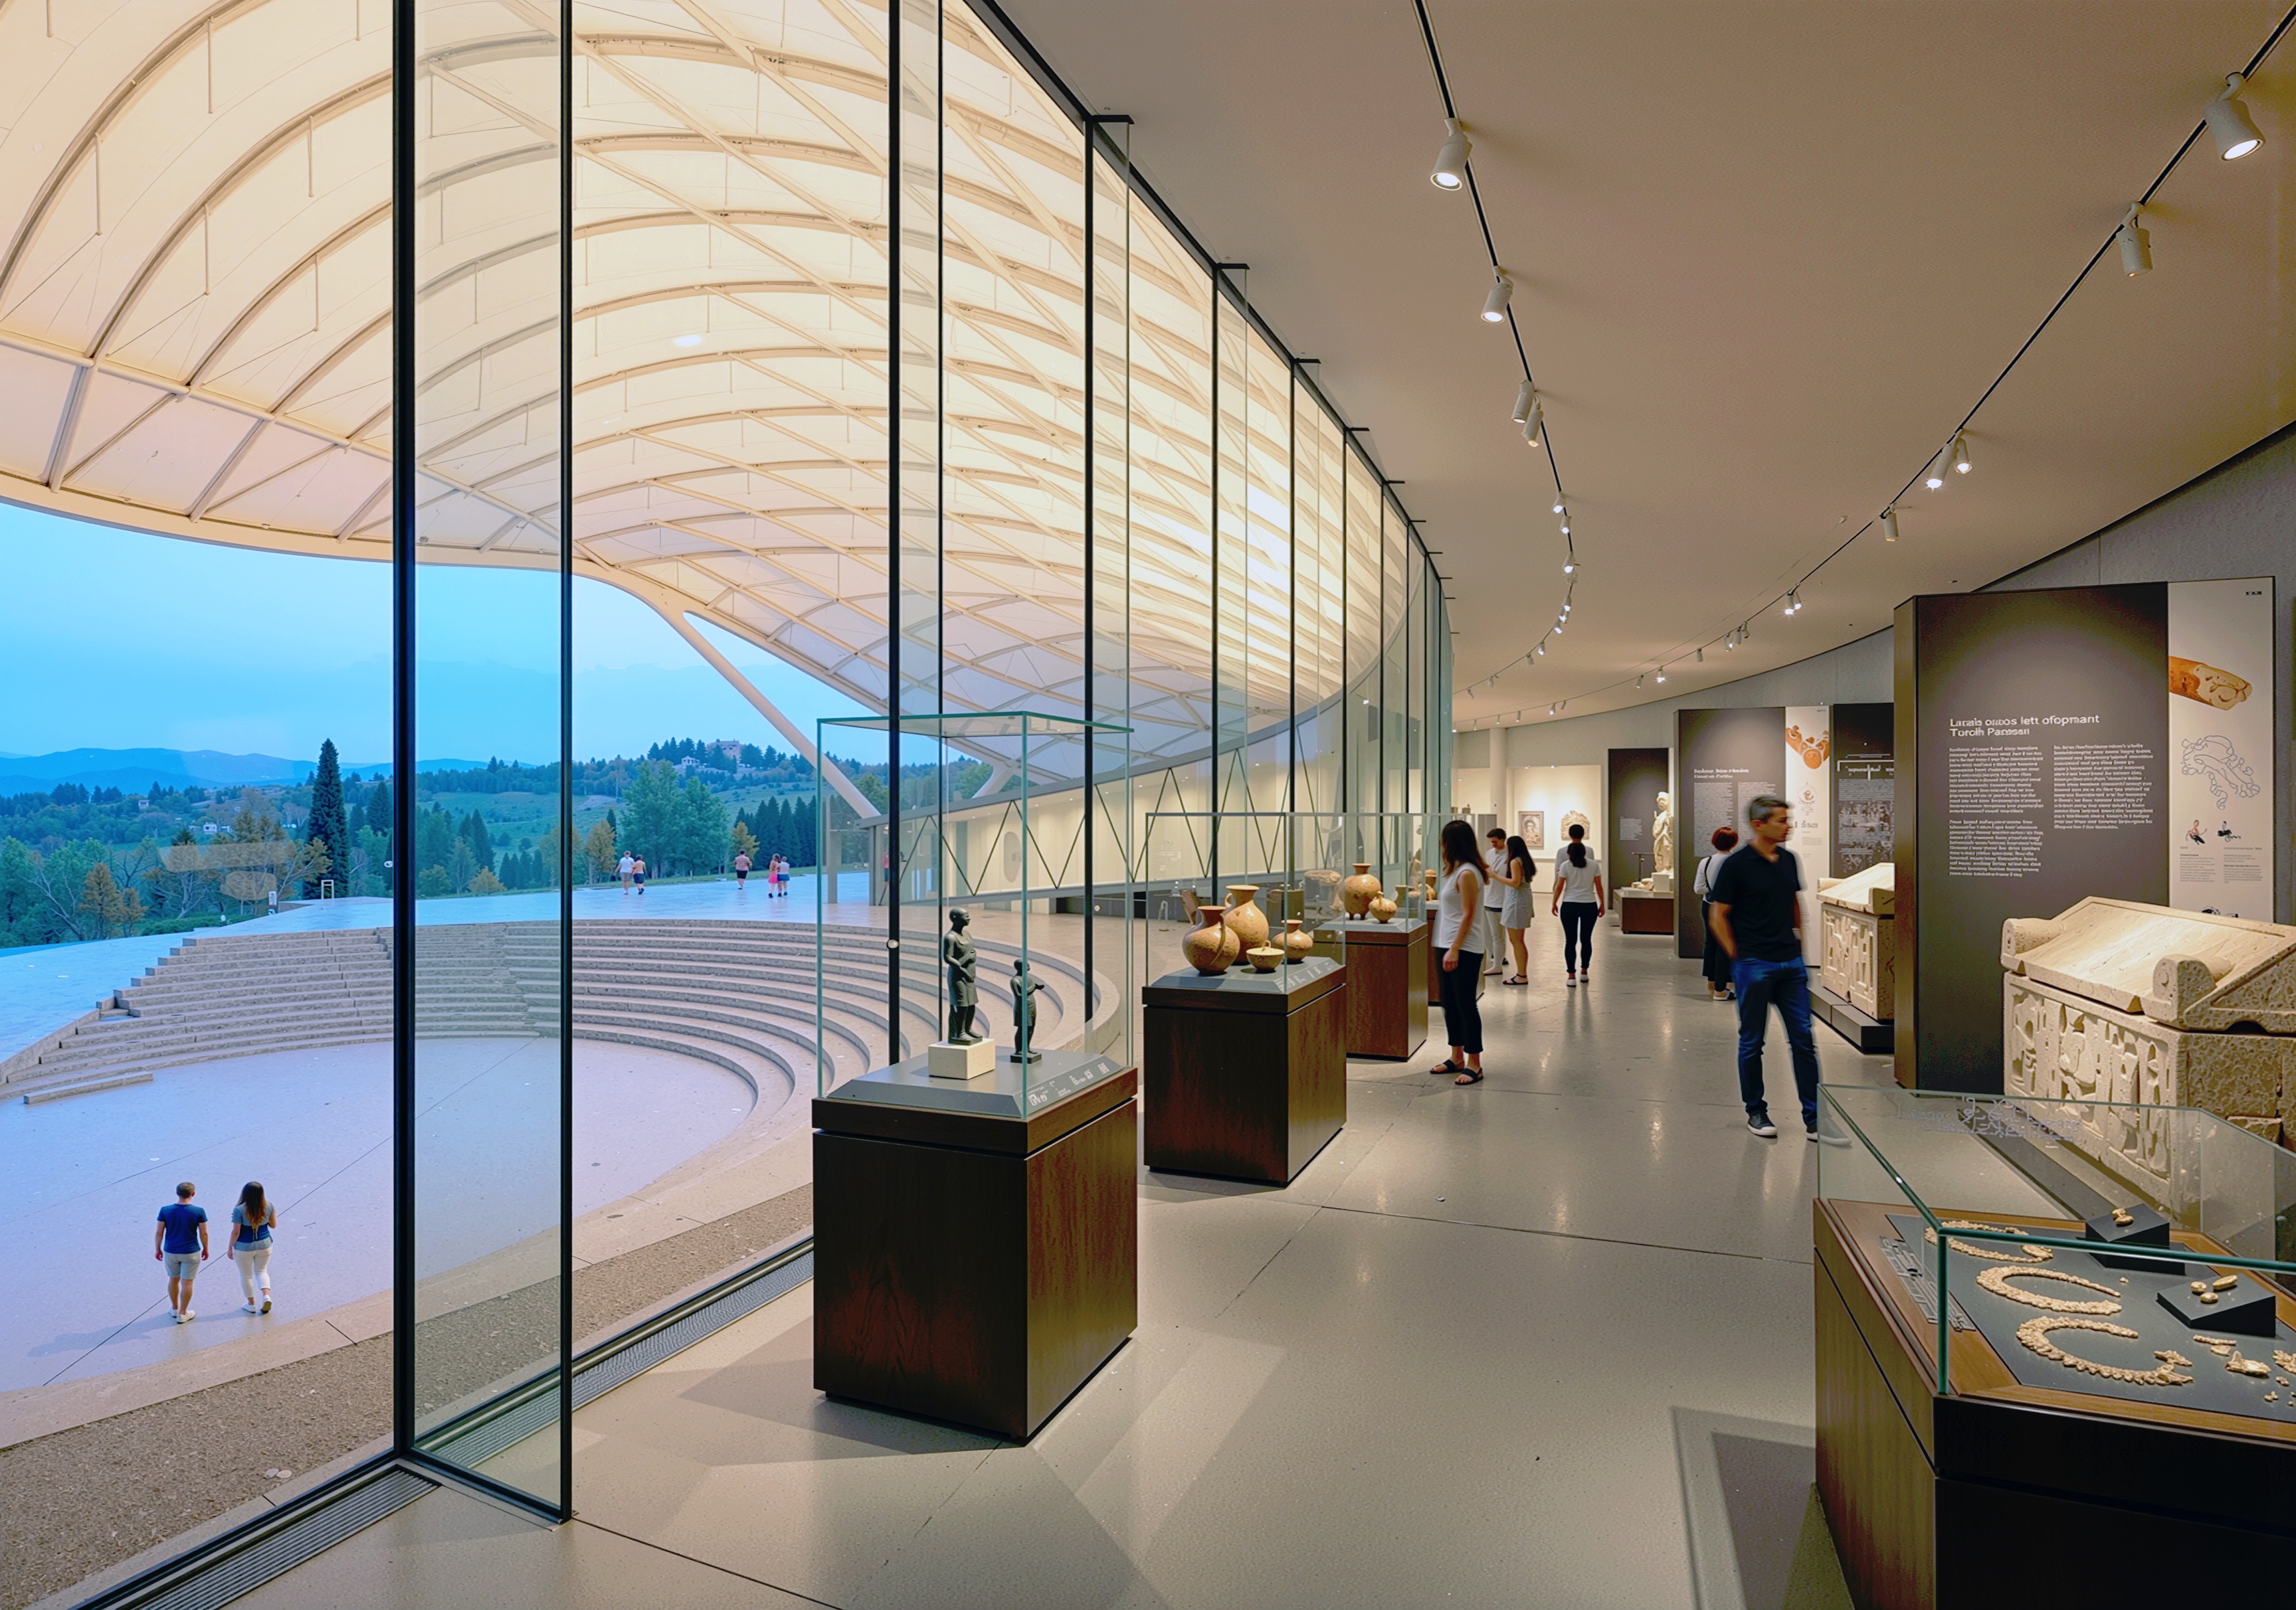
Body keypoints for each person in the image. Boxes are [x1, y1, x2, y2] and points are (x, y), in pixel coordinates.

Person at [1709, 795, 1824, 1141]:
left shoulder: (1788, 860)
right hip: (1754, 964)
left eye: (1788, 820)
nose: (1788, 826)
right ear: (1759, 825)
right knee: (1752, 1041)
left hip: (1790, 964)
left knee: (1803, 1040)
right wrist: (1739, 957)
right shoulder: (1737, 865)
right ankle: (1756, 1111)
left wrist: (1799, 943)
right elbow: (1718, 915)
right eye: (1781, 820)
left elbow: (1793, 901)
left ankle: (1815, 1118)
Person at [1428, 817, 1486, 1085]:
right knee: (1449, 1004)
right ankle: (1457, 1056)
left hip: (1463, 947)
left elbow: (1468, 915)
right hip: (1447, 944)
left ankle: (1475, 1063)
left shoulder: (1467, 873)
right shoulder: (1456, 871)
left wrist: (1455, 949)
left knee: (1465, 1005)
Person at [1549, 823, 1604, 987]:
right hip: (1589, 905)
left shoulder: (1566, 866)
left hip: (1569, 905)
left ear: (1569, 853)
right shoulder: (1594, 865)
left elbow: (1560, 886)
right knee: (1586, 939)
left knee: (1570, 940)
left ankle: (1571, 975)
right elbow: (1599, 887)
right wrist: (1602, 904)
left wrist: (1554, 903)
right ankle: (1584, 972)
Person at [1693, 826, 1741, 1002]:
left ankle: (1712, 981)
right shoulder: (1736, 861)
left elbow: (1698, 888)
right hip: (1731, 908)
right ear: (1734, 842)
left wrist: (1713, 891)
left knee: (1711, 943)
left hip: (1708, 905)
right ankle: (1721, 989)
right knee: (1725, 945)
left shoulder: (1705, 862)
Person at [155, 1180, 208, 1325]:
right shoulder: (199, 1211)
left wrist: (158, 1249)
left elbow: (159, 1232)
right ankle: (183, 1313)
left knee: (173, 1279)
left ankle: (174, 1308)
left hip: (171, 1251)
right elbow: (204, 1233)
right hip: (191, 1251)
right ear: (193, 1194)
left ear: (177, 1193)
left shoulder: (165, 1210)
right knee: (187, 1282)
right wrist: (206, 1249)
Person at [227, 1181, 277, 1314]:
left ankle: (252, 1304)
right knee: (262, 1271)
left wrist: (230, 1247)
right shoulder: (269, 1206)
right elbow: (273, 1225)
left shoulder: (239, 1210)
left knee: (246, 1276)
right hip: (265, 1243)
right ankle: (266, 1296)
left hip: (244, 1247)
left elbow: (236, 1232)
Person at [1495, 832, 1535, 984]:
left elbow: (1515, 883)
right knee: (1517, 940)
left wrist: (1495, 876)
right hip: (1520, 901)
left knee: (1517, 940)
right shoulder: (1523, 860)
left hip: (1517, 903)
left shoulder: (1515, 862)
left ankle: (1522, 974)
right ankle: (1521, 973)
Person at [1479, 826, 1509, 975]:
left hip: (1503, 899)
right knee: (1491, 933)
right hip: (1489, 897)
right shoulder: (1489, 854)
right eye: (1491, 842)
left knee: (1500, 935)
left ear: (1503, 840)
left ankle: (1499, 961)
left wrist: (1494, 875)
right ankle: (1496, 959)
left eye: (1495, 842)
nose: (1493, 845)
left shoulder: (1510, 856)